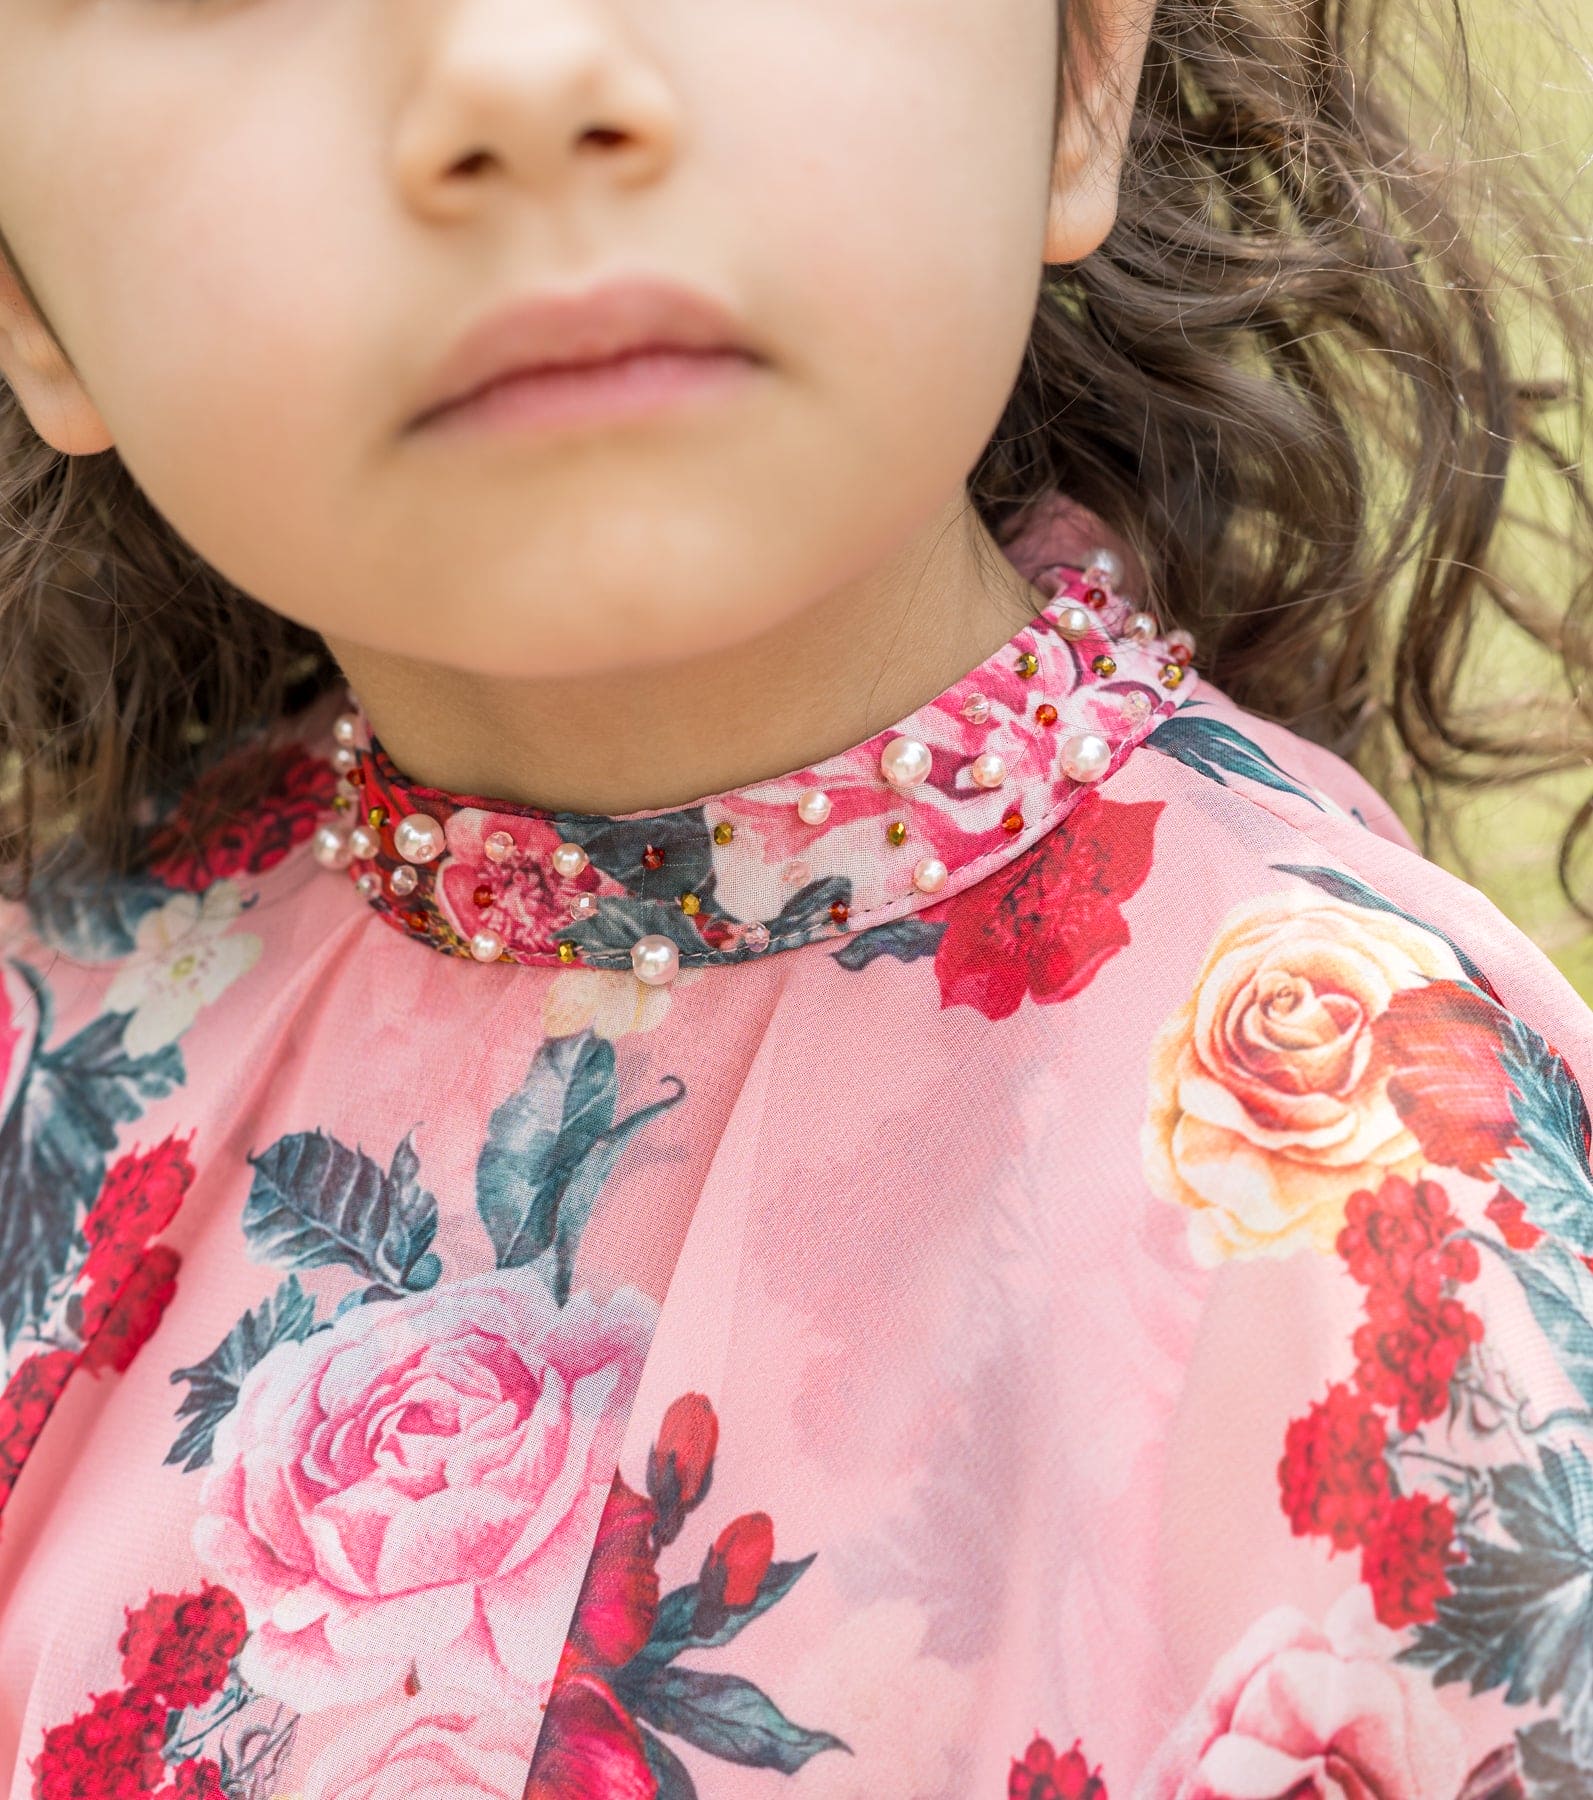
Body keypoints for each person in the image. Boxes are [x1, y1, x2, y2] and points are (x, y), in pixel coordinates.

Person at [0, 0, 1589, 1791]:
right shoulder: (52, 1047)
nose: (518, 74)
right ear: (28, 296)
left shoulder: (1374, 1214)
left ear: (1080, 70)